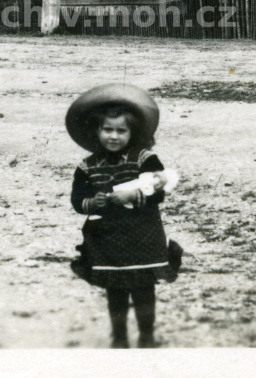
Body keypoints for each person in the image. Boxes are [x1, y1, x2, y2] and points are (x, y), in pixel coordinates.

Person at [66, 83, 183, 348]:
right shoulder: (87, 166)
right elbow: (76, 200)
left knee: (143, 286)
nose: (114, 136)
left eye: (121, 130)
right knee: (115, 288)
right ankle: (119, 337)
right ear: (97, 131)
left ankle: (146, 335)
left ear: (133, 132)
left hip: (142, 232)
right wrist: (91, 202)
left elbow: (159, 191)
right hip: (108, 235)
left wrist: (133, 195)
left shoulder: (144, 159)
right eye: (108, 129)